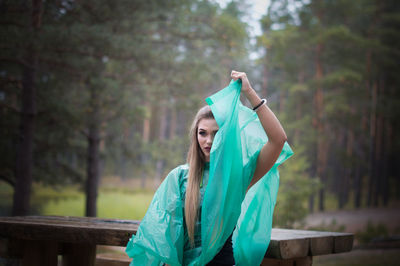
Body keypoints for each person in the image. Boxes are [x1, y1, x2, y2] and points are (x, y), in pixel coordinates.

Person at [126, 71, 293, 266]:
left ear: (226, 137)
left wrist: (249, 92)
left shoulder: (235, 177)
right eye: (202, 133)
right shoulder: (179, 177)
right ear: (195, 136)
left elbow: (278, 140)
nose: (209, 140)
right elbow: (162, 234)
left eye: (216, 133)